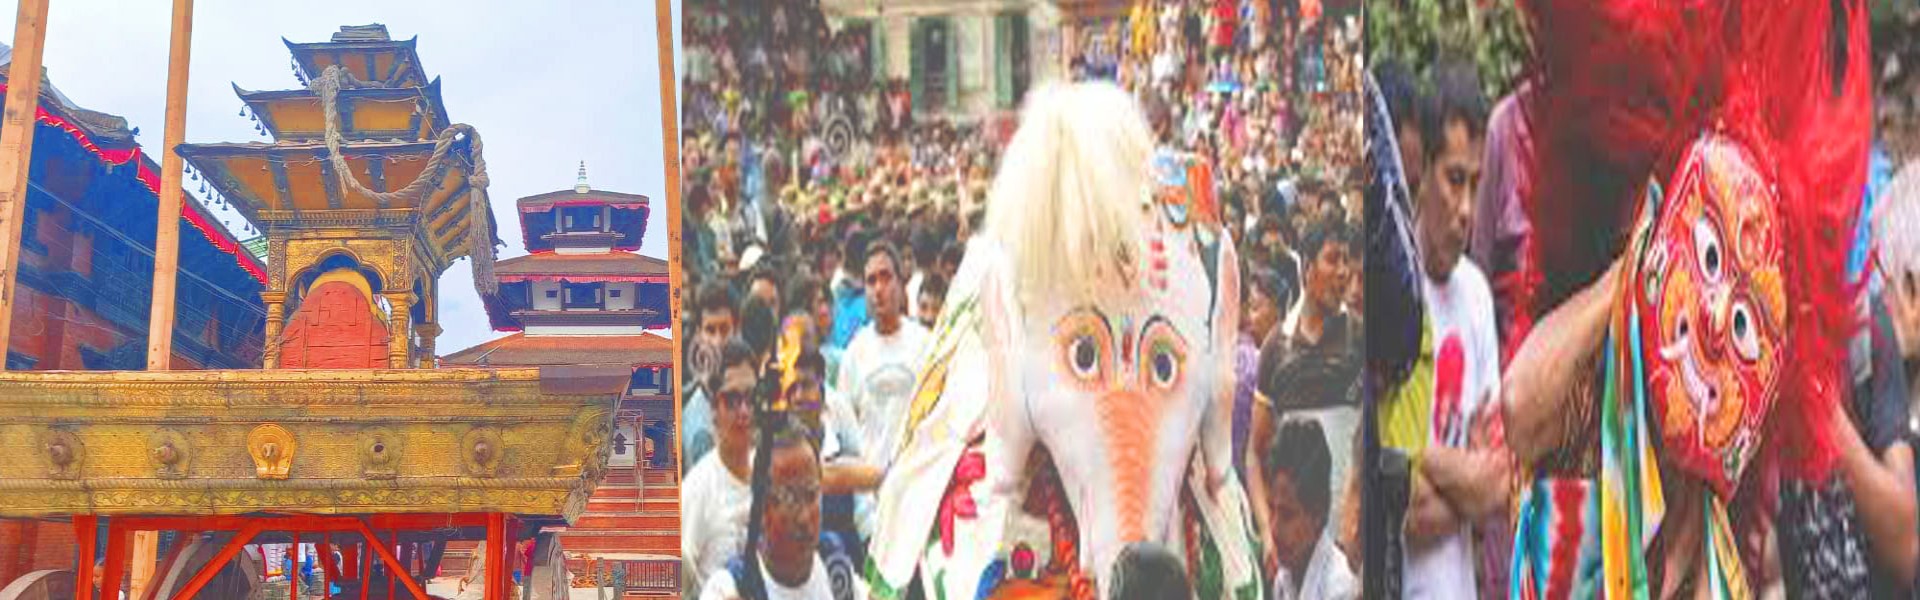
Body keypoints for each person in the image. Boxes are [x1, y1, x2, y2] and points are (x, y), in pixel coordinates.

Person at [1392, 59, 1507, 599]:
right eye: (1454, 179)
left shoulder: (1478, 297)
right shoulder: (1395, 290)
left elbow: (1498, 484)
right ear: (1424, 170)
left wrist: (1414, 450)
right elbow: (1403, 507)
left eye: (1476, 184)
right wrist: (1470, 485)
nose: (1465, 208)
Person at [1248, 211, 1357, 575]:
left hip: (1350, 557)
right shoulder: (1277, 349)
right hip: (1294, 561)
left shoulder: (1361, 341)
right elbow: (1255, 452)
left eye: (1346, 259)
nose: (1343, 271)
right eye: (1332, 259)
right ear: (1307, 269)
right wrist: (1267, 531)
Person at [699, 416, 838, 600]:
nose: (804, 517)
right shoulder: (730, 589)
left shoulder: (833, 561)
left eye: (811, 495)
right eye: (790, 500)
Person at [835, 241, 930, 472]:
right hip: (869, 499)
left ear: (900, 283)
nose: (879, 288)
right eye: (871, 281)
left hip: (916, 484)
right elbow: (844, 429)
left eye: (886, 277)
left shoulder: (926, 344)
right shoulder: (854, 354)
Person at [683, 338, 762, 592]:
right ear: (714, 408)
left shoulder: (771, 469)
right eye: (732, 400)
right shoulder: (696, 490)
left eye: (751, 398)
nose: (744, 411)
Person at [1267, 418, 1358, 600]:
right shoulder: (1283, 581)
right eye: (1271, 510)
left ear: (1318, 515)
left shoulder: (1340, 589)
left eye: (1288, 515)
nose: (1274, 529)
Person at [685, 283, 742, 468]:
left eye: (724, 330)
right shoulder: (699, 425)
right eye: (710, 330)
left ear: (737, 331)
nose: (718, 341)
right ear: (698, 336)